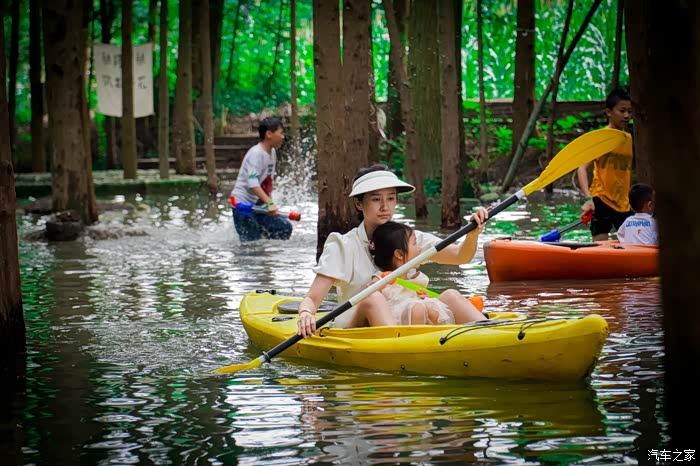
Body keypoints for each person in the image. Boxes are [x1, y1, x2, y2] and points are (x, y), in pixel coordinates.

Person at [297, 164, 489, 338]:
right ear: (358, 204)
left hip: (407, 319)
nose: (385, 207)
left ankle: (490, 334)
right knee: (373, 298)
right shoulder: (343, 246)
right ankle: (399, 347)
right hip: (357, 330)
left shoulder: (410, 239)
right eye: (376, 199)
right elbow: (312, 299)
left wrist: (473, 233)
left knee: (450, 295)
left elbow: (460, 255)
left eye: (390, 198)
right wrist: (306, 313)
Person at [370, 221, 487, 325]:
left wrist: (426, 298)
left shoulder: (414, 280)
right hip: (403, 322)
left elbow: (460, 255)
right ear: (399, 254)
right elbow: (372, 293)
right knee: (417, 308)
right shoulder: (383, 278)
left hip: (423, 315)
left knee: (450, 294)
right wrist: (379, 284)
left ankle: (484, 327)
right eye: (415, 243)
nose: (420, 248)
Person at [577, 89, 634, 241]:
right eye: (622, 111)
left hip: (624, 204)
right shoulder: (600, 138)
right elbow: (581, 169)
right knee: (599, 246)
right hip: (601, 200)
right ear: (609, 112)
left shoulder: (628, 138)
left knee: (631, 245)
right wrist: (588, 200)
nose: (626, 116)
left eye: (629, 111)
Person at [231, 117, 292, 242]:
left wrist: (269, 205)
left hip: (259, 207)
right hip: (243, 206)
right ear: (269, 134)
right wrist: (270, 203)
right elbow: (253, 184)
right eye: (281, 133)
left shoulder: (272, 152)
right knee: (252, 243)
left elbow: (267, 182)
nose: (283, 137)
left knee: (284, 228)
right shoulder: (256, 153)